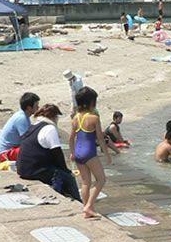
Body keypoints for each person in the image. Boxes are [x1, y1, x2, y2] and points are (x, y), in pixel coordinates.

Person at [16, 104, 80, 202]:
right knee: (68, 177)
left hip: (22, 168)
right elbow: (57, 154)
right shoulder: (49, 128)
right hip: (33, 170)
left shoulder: (34, 125)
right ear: (53, 117)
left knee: (58, 171)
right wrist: (66, 171)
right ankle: (79, 202)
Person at [68, 87, 111, 218]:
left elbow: (71, 138)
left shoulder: (76, 118)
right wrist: (107, 154)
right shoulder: (94, 118)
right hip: (89, 153)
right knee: (101, 180)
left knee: (86, 182)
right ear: (92, 102)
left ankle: (86, 209)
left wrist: (72, 153)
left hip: (78, 153)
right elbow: (100, 138)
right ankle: (89, 206)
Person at [0, 92, 40, 162]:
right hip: (6, 154)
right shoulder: (22, 118)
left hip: (9, 150)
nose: (38, 108)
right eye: (36, 106)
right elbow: (27, 141)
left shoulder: (23, 115)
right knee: (35, 150)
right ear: (29, 107)